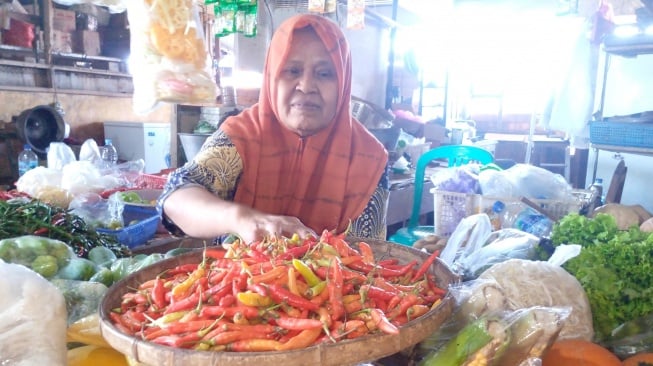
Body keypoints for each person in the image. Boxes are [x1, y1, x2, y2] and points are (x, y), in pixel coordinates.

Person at [159, 14, 389, 244]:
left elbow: (369, 257)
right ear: (272, 76)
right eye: (292, 70)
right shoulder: (242, 136)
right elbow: (175, 198)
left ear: (343, 81)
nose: (307, 86)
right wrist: (244, 219)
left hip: (336, 280)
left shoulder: (368, 157)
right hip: (240, 279)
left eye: (324, 73)